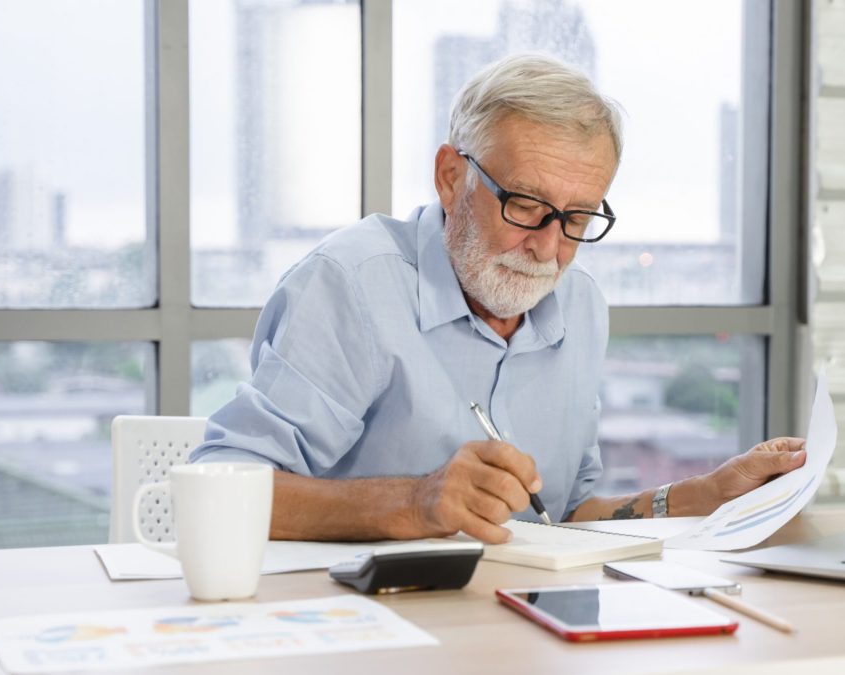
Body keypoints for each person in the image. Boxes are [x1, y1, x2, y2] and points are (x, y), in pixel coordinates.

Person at [191, 53, 806, 544]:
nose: (547, 247)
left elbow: (563, 519)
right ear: (451, 177)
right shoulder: (351, 285)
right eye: (527, 206)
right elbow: (213, 488)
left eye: (578, 218)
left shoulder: (582, 304)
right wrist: (415, 502)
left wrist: (705, 496)